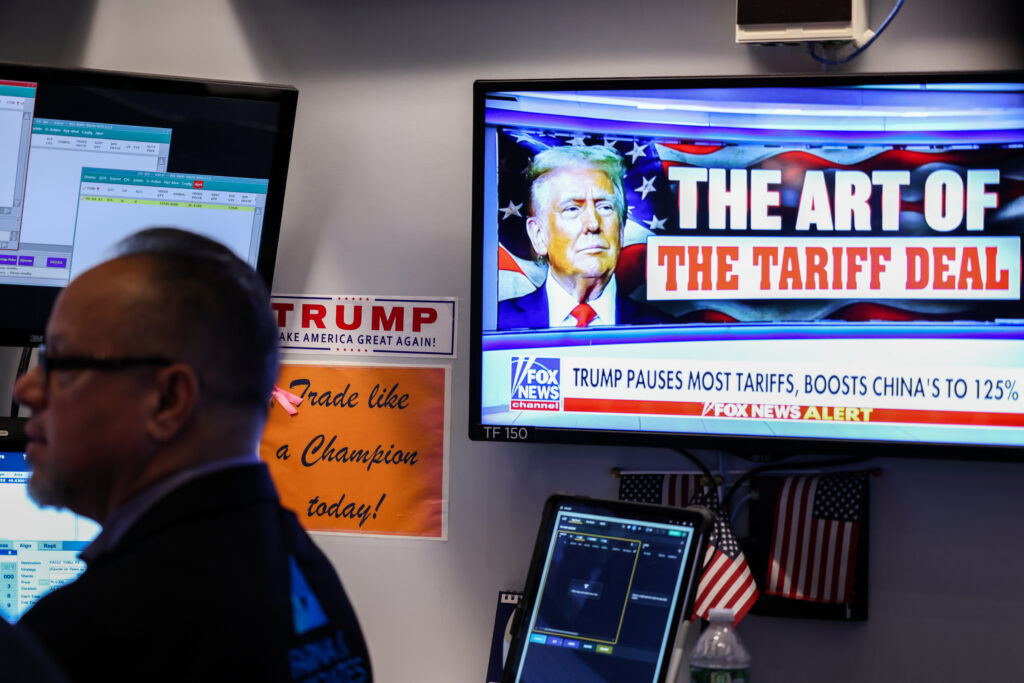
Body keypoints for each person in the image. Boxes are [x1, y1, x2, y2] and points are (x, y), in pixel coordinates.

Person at [12, 228, 372, 683]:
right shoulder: (304, 570)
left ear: (168, 400)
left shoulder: (86, 633)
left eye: (60, 363)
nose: (24, 390)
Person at [498, 145, 668, 330]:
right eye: (572, 209)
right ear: (538, 235)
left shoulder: (662, 328)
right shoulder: (499, 322)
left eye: (605, 207)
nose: (593, 224)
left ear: (621, 228)